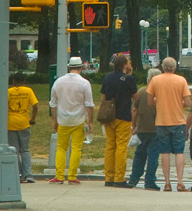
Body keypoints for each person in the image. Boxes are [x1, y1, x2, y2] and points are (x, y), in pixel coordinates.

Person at [147, 57, 192, 192]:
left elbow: (150, 101)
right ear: (174, 67)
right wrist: (178, 102)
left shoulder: (155, 80)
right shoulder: (181, 80)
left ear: (162, 67)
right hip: (178, 120)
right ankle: (180, 181)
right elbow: (188, 102)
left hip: (161, 121)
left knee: (164, 152)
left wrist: (159, 100)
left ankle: (167, 183)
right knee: (179, 152)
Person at [49, 56, 94, 184]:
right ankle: (73, 176)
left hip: (63, 119)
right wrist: (90, 121)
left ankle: (59, 176)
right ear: (81, 68)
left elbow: (53, 104)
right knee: (76, 148)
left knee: (61, 148)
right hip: (79, 120)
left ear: (69, 67)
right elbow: (89, 104)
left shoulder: (58, 82)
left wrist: (55, 120)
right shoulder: (85, 83)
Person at [101, 53, 137, 188]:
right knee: (121, 147)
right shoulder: (129, 80)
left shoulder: (107, 77)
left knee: (110, 146)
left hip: (109, 116)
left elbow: (103, 97)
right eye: (128, 63)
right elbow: (136, 97)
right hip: (123, 116)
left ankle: (108, 177)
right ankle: (119, 178)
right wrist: (130, 75)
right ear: (124, 65)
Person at [129, 68, 161, 191]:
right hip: (156, 128)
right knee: (153, 155)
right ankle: (150, 180)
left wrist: (134, 125)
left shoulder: (141, 92)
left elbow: (134, 110)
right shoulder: (160, 93)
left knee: (139, 154)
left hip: (142, 128)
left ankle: (134, 178)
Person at [8, 72, 38, 183]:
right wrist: (33, 118)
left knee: (14, 151)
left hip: (10, 123)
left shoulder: (8, 92)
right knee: (25, 150)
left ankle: (18, 174)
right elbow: (35, 106)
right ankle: (28, 174)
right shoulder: (28, 91)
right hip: (24, 123)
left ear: (13, 81)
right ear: (24, 81)